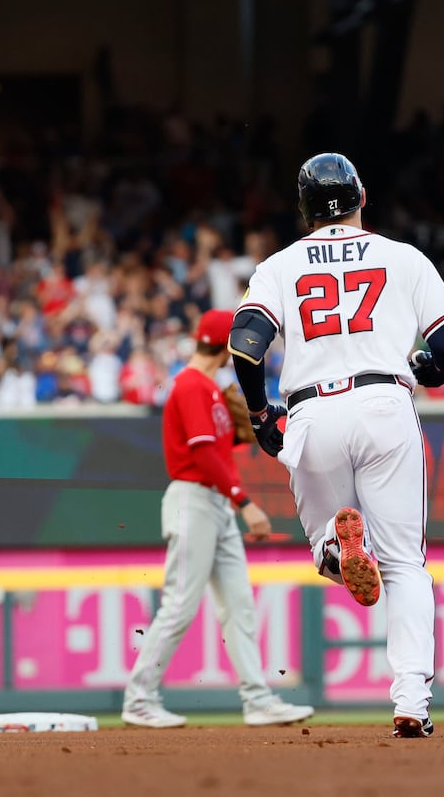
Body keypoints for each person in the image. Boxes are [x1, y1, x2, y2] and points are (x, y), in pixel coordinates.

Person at [228, 153, 444, 739]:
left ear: (304, 211)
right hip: (384, 403)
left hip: (312, 412)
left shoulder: (279, 266)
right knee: (406, 564)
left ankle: (337, 548)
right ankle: (411, 699)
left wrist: (260, 413)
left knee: (322, 548)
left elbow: (245, 346)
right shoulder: (402, 256)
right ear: (362, 199)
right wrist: (432, 369)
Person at [123, 309, 314, 730]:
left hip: (215, 505)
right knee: (180, 605)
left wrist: (242, 431)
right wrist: (244, 501)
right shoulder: (191, 385)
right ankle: (139, 698)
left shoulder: (207, 387)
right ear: (222, 344)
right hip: (195, 499)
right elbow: (204, 453)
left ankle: (258, 700)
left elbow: (218, 444)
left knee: (240, 606)